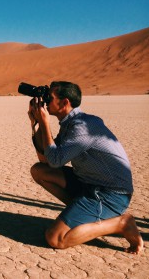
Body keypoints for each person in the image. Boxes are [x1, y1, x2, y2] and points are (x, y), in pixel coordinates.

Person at [28, 81, 143, 254]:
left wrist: (45, 124)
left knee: (55, 238)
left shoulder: (82, 127)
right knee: (39, 171)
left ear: (64, 102)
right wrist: (35, 123)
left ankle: (121, 223)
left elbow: (55, 160)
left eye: (49, 98)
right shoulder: (69, 124)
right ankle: (82, 212)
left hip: (110, 194)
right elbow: (45, 160)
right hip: (89, 184)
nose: (45, 102)